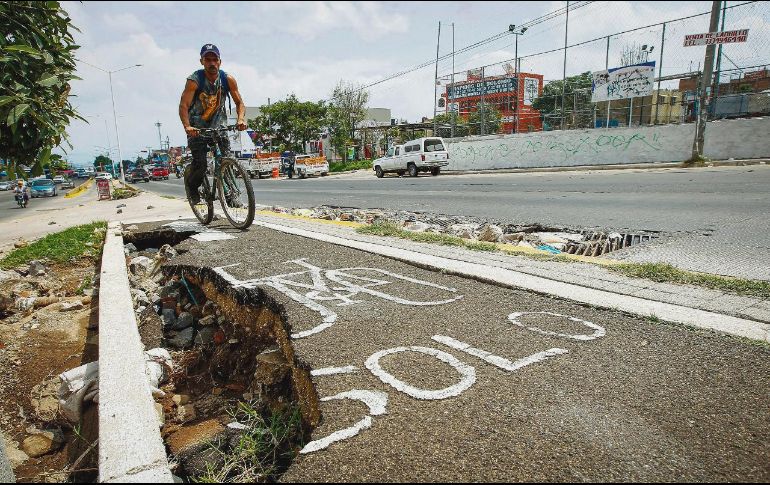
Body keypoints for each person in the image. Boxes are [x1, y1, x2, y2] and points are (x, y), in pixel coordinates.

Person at [178, 44, 246, 203]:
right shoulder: (194, 80)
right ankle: (192, 187)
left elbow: (239, 103)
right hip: (197, 128)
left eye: (215, 59)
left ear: (220, 62)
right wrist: (187, 126)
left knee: (226, 160)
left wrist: (241, 119)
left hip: (219, 126)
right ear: (202, 61)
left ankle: (231, 196)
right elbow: (184, 105)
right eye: (208, 60)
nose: (212, 63)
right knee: (200, 165)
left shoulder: (227, 79)